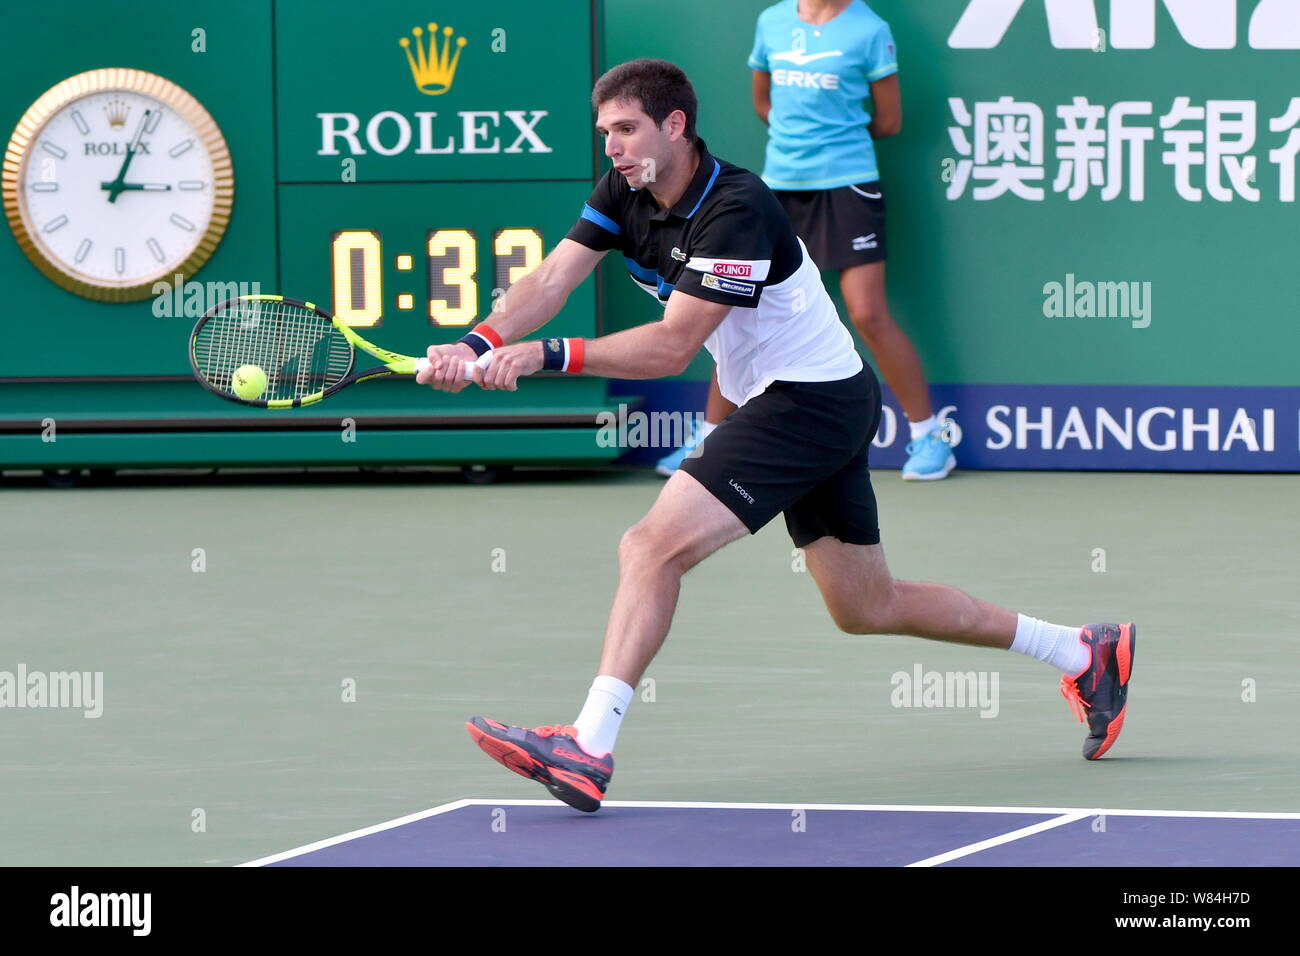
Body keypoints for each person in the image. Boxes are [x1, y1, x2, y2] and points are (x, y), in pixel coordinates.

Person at [417, 59, 1135, 813]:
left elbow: (672, 347)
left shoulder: (738, 207)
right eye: (605, 134)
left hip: (808, 404)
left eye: (626, 130)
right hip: (806, 401)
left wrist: (544, 355)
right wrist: (477, 341)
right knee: (867, 606)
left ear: (675, 125)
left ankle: (589, 746)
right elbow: (553, 279)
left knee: (648, 546)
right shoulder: (623, 191)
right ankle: (1082, 651)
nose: (614, 148)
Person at [657, 0, 954, 481]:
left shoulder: (869, 29)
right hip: (779, 189)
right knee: (737, 314)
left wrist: (832, 139)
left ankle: (928, 436)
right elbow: (763, 103)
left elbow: (889, 121)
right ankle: (710, 438)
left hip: (849, 184)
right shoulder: (771, 22)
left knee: (867, 312)